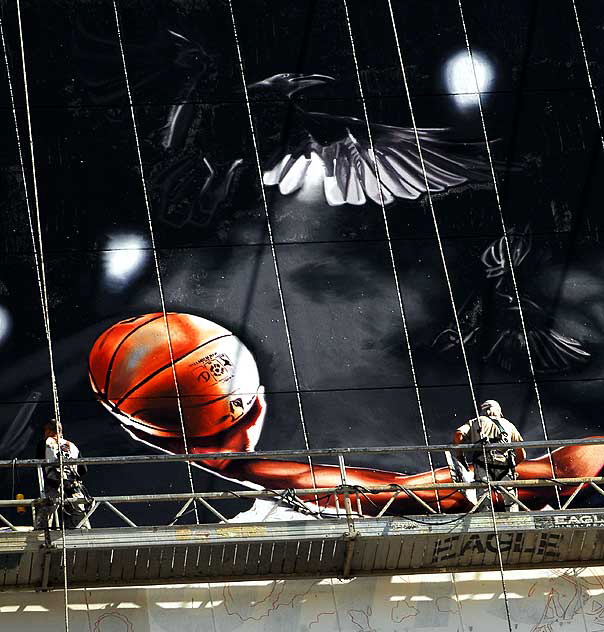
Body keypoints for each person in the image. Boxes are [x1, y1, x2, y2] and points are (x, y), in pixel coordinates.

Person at [453, 400, 526, 512]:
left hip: (482, 463)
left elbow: (459, 433)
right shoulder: (508, 424)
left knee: (484, 498)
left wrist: (460, 456)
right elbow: (521, 452)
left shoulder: (476, 422)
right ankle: (514, 524)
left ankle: (486, 521)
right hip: (503, 465)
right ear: (499, 411)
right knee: (510, 498)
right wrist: (513, 465)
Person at [34, 419, 91, 529]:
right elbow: (83, 469)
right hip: (73, 486)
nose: (44, 434)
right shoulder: (72, 446)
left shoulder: (44, 443)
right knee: (80, 513)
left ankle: (40, 536)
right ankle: (86, 536)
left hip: (53, 485)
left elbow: (38, 463)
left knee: (45, 514)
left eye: (45, 431)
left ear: (49, 431)